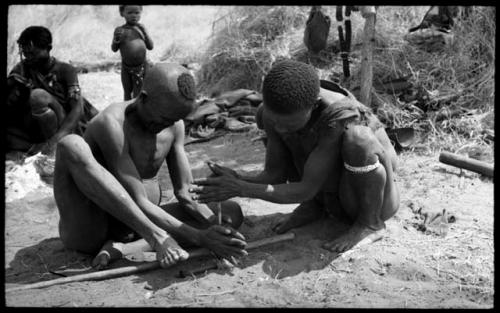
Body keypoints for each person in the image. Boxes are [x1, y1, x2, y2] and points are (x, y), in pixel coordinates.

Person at [190, 60, 400, 253]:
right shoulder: (270, 112)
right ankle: (316, 207)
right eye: (275, 121)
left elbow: (306, 188)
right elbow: (275, 175)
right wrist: (236, 178)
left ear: (315, 105)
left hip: (374, 197)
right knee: (293, 134)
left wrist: (241, 188)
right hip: (328, 191)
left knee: (358, 139)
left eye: (289, 123)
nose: (280, 127)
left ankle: (370, 224)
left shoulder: (338, 115)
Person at [53, 62, 247, 269]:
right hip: (93, 228)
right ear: (144, 99)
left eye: (173, 121)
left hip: (134, 228)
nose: (166, 126)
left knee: (231, 213)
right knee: (70, 145)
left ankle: (122, 248)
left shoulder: (174, 125)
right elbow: (137, 200)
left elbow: (185, 192)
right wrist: (200, 237)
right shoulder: (112, 124)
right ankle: (156, 239)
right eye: (163, 119)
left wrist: (214, 227)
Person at [6, 26, 98, 155]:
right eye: (26, 54)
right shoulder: (21, 69)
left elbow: (77, 109)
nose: (29, 58)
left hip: (65, 124)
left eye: (33, 53)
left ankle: (57, 146)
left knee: (38, 96)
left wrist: (55, 141)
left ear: (48, 48)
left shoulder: (65, 70)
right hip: (35, 127)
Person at [112, 5, 154, 101]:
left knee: (141, 92)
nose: (133, 15)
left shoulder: (141, 29)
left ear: (141, 13)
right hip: (126, 68)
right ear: (122, 13)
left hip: (143, 67)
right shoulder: (120, 30)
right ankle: (126, 112)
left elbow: (150, 46)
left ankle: (141, 112)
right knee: (127, 91)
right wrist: (116, 40)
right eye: (130, 13)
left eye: (137, 13)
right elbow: (114, 49)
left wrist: (145, 32)